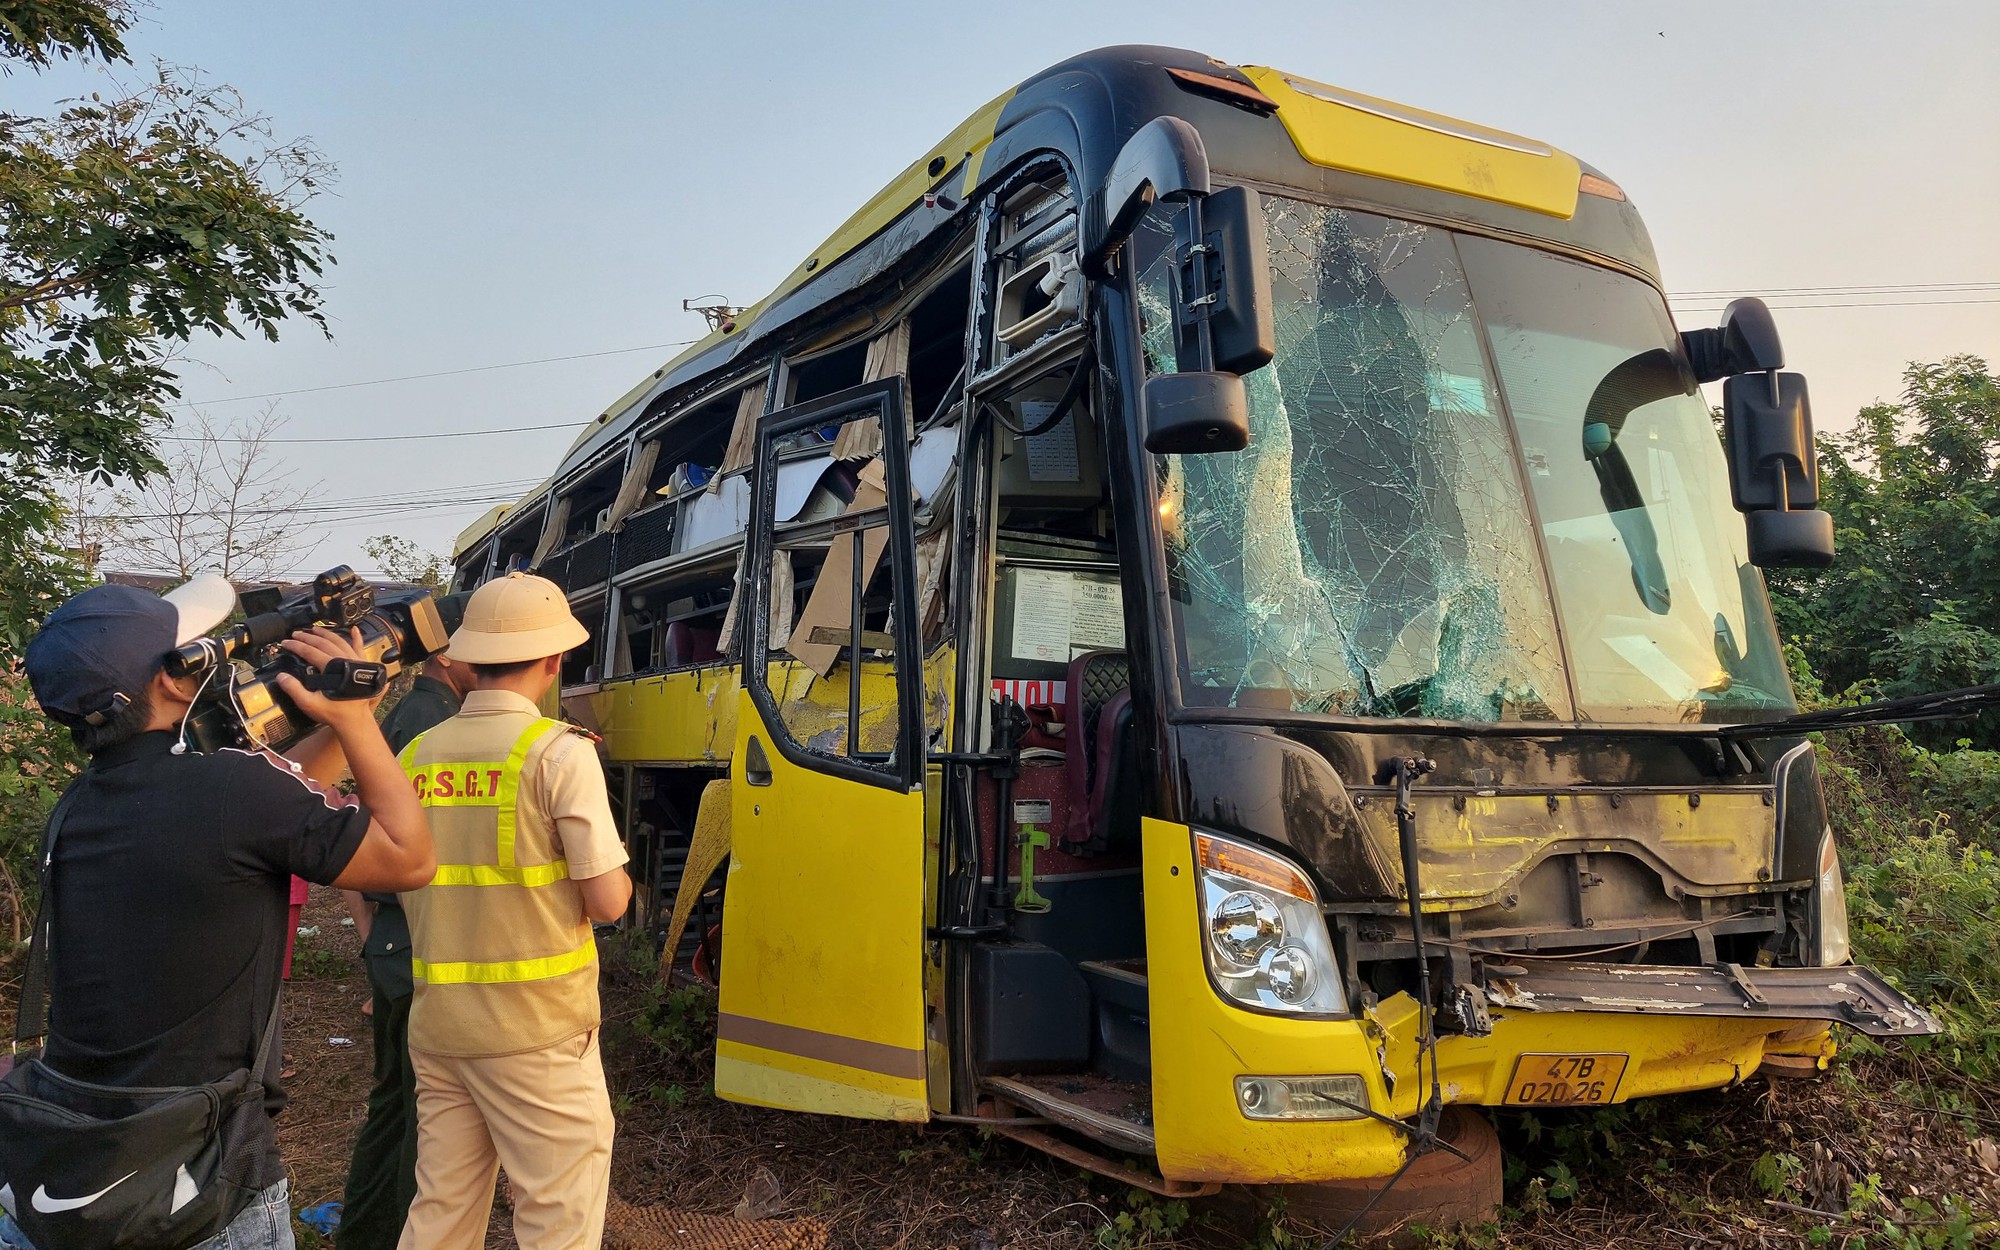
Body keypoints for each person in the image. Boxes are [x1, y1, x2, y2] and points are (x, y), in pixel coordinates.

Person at [2, 580, 436, 1250]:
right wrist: (354, 719)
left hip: (77, 1158)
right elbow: (407, 860)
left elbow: (277, 795)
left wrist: (323, 717)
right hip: (198, 1176)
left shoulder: (79, 806)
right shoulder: (230, 793)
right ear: (177, 679)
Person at [395, 572, 631, 1250]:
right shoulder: (558, 753)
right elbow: (609, 901)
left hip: (439, 1025)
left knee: (441, 1211)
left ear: (465, 661)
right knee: (557, 1214)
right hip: (536, 1031)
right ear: (557, 659)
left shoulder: (415, 756)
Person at [337, 600, 473, 1250]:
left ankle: (364, 1236)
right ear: (445, 655)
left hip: (396, 944)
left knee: (393, 1105)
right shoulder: (431, 724)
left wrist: (371, 941)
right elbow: (371, 837)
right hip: (413, 945)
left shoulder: (419, 717)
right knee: (424, 1117)